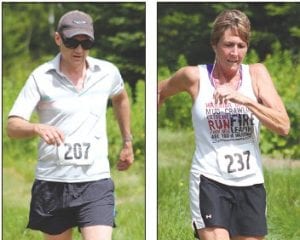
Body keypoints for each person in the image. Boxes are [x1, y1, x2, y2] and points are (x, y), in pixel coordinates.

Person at [158, 9, 290, 240]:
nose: (235, 53)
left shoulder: (257, 75)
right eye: (229, 45)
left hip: (251, 182)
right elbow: (159, 91)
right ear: (214, 45)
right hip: (210, 180)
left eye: (241, 45)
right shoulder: (194, 77)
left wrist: (246, 100)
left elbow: (283, 126)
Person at [7, 10, 134, 240]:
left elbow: (121, 98)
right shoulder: (40, 77)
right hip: (53, 182)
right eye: (71, 42)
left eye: (86, 43)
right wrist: (37, 127)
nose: (79, 49)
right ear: (58, 39)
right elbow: (12, 126)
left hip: (95, 180)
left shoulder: (107, 73)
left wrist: (127, 141)